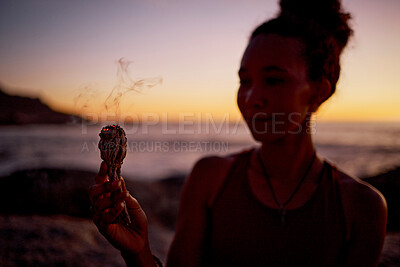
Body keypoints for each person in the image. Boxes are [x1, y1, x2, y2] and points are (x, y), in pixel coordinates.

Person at [89, 0, 387, 266]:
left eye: (273, 80)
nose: (250, 97)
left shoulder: (360, 207)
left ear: (318, 92)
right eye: (245, 81)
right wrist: (138, 252)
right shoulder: (210, 178)